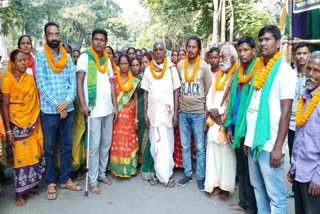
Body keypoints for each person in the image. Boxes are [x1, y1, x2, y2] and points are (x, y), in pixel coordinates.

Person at [240, 25, 297, 213]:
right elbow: (253, 105)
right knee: (258, 189)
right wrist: (248, 139)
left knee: (276, 196)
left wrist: (278, 147)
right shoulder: (259, 69)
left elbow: (286, 113)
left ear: (278, 43)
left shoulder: (285, 71)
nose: (263, 43)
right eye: (261, 39)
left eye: (268, 39)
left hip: (270, 144)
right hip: (254, 142)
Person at [35, 22, 81, 200]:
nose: (54, 37)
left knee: (66, 146)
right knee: (48, 148)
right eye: (50, 34)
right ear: (45, 36)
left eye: (56, 34)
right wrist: (57, 105)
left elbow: (73, 82)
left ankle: (65, 179)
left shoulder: (67, 58)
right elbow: (42, 85)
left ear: (60, 35)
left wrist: (67, 102)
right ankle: (51, 182)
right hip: (49, 110)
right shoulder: (40, 57)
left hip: (67, 109)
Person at [2, 49, 45, 206]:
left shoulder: (30, 79)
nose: (23, 62)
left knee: (33, 157)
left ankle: (30, 188)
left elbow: (35, 101)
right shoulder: (8, 80)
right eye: (20, 60)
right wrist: (8, 131)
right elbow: (5, 107)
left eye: (25, 60)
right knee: (20, 161)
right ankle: (19, 194)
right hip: (16, 125)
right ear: (12, 63)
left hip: (32, 123)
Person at [76, 29, 117, 195]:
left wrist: (115, 105)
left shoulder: (107, 60)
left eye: (102, 40)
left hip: (107, 109)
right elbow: (79, 81)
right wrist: (82, 104)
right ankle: (92, 181)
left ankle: (101, 174)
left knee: (106, 143)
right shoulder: (85, 57)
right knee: (93, 146)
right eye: (96, 39)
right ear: (92, 40)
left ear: (105, 42)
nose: (99, 42)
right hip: (93, 110)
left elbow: (111, 83)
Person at [225, 36, 258, 213]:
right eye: (240, 50)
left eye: (246, 50)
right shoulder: (239, 72)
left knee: (252, 172)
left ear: (254, 51)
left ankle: (252, 206)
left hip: (250, 130)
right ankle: (244, 203)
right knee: (243, 169)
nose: (243, 53)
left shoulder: (258, 72)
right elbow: (232, 101)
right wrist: (229, 126)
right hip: (237, 128)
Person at [141, 40, 180, 186]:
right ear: (152, 53)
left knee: (167, 145)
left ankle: (168, 175)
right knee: (154, 147)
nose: (158, 53)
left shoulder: (171, 69)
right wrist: (145, 114)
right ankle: (158, 175)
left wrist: (175, 113)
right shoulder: (148, 70)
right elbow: (145, 94)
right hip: (153, 114)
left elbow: (176, 92)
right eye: (155, 50)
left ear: (165, 52)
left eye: (161, 50)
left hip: (168, 115)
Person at [177, 36, 212, 190]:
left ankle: (201, 177)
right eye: (189, 46)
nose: (191, 50)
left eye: (194, 47)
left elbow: (209, 89)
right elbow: (177, 87)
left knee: (199, 147)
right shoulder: (179, 65)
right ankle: (188, 173)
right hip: (183, 112)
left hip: (198, 114)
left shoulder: (204, 67)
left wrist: (206, 112)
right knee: (185, 146)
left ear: (199, 49)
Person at [288, 50, 320, 214]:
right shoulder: (304, 96)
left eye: (317, 71)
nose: (311, 74)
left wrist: (318, 178)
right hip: (300, 172)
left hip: (314, 176)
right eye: (309, 69)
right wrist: (293, 167)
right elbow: (300, 138)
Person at [204, 44, 237, 201]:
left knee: (226, 157)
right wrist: (212, 110)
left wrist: (221, 113)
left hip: (224, 122)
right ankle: (215, 185)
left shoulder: (235, 76)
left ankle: (226, 189)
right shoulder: (219, 76)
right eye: (221, 57)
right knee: (214, 155)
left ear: (231, 58)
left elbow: (232, 101)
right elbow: (210, 95)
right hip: (213, 120)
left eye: (223, 57)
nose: (221, 60)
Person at [109, 54, 140, 178]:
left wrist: (136, 117)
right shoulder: (114, 80)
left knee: (129, 142)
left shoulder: (134, 80)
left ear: (129, 65)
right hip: (118, 117)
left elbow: (136, 99)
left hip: (130, 116)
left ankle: (130, 169)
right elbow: (112, 99)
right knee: (117, 142)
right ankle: (117, 169)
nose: (123, 66)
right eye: (121, 64)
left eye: (126, 63)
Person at [131, 57, 155, 180]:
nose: (144, 65)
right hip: (140, 111)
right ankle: (145, 167)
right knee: (143, 138)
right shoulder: (137, 79)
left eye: (146, 62)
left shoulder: (155, 75)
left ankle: (151, 166)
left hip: (153, 109)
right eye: (142, 63)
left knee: (152, 139)